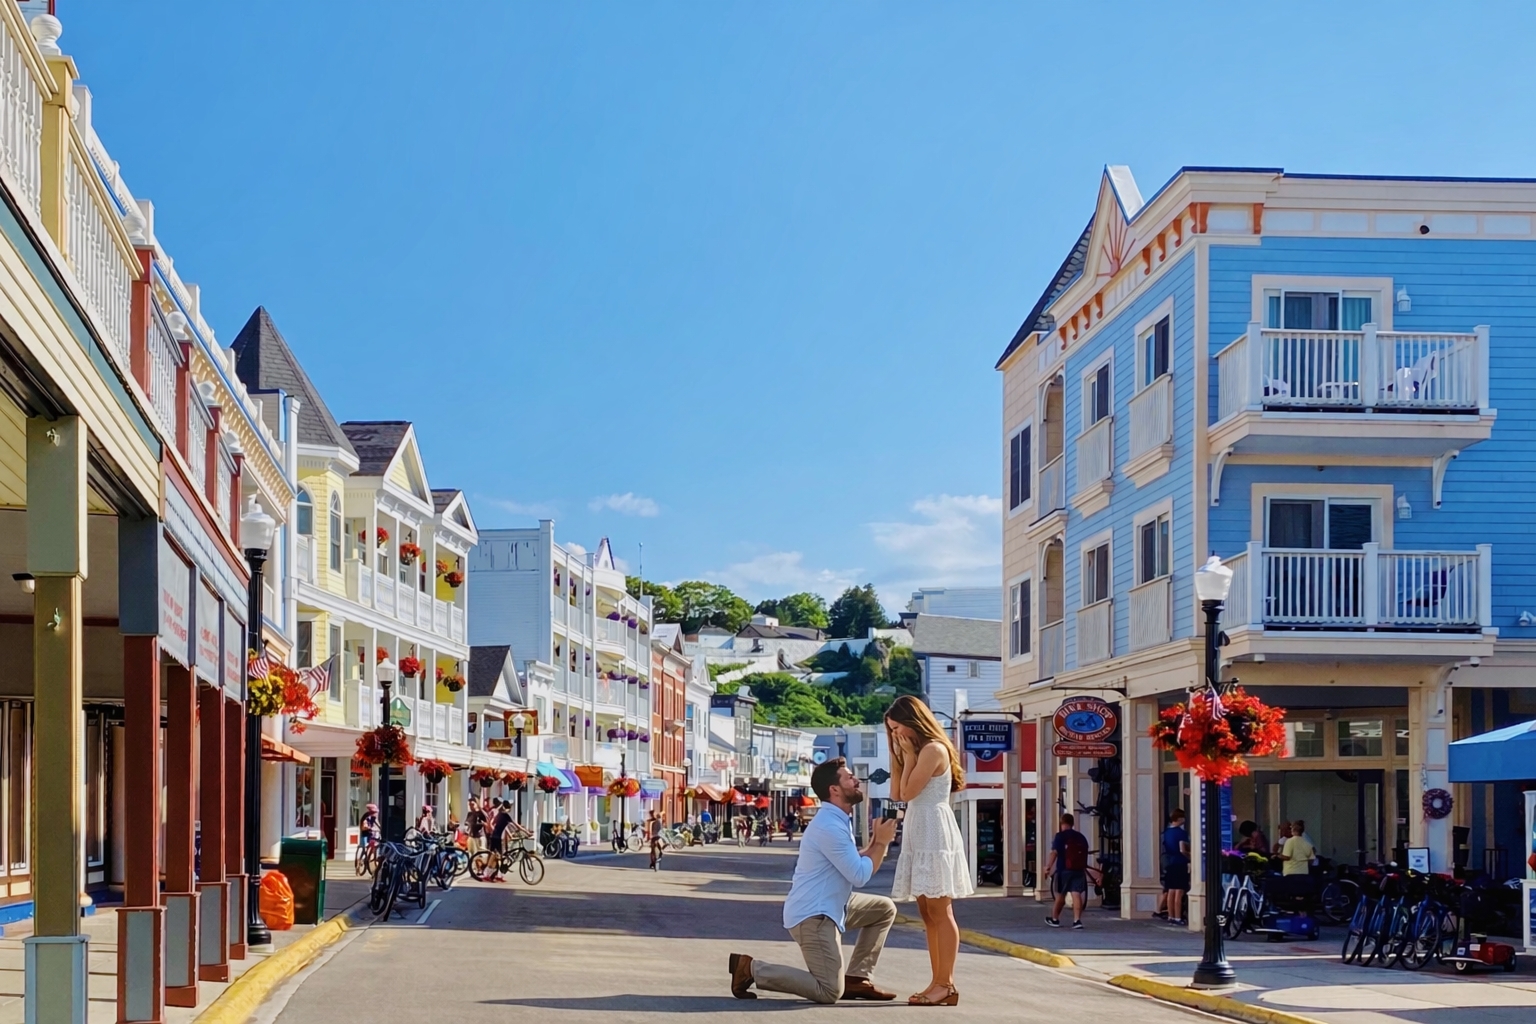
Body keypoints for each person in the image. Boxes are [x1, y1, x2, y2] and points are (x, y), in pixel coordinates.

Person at [728, 758, 900, 1005]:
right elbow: (859, 876)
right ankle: (752, 969)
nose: (856, 780)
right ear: (835, 789)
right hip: (814, 916)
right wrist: (882, 843)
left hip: (831, 904)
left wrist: (875, 841)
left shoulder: (838, 819)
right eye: (849, 777)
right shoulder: (829, 826)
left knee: (883, 909)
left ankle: (857, 979)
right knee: (829, 991)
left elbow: (851, 861)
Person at [885, 694, 973, 1006]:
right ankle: (936, 981)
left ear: (914, 722)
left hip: (934, 829)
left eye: (899, 728)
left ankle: (945, 983)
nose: (897, 735)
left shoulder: (934, 749)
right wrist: (899, 756)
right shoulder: (914, 750)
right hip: (918, 828)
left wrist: (908, 758)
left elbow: (909, 792)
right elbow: (897, 793)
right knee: (926, 911)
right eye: (892, 730)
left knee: (940, 909)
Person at [1043, 813, 1089, 929]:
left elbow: (1055, 852)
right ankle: (1077, 920)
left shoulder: (1060, 836)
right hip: (1078, 870)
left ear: (1062, 823)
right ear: (1072, 824)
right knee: (1076, 894)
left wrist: (1048, 866)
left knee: (1060, 896)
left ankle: (1054, 919)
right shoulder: (1081, 837)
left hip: (1064, 870)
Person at [1159, 809, 1189, 926]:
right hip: (1180, 862)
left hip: (1169, 862)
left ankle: (1171, 916)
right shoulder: (1181, 833)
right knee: (1179, 891)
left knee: (1171, 890)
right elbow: (1182, 849)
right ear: (1180, 819)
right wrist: (1189, 857)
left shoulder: (1166, 832)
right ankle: (1178, 917)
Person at [487, 798, 514, 882]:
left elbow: (503, 826)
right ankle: (489, 873)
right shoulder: (496, 812)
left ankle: (498, 875)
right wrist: (494, 830)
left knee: (500, 856)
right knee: (497, 856)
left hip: (500, 837)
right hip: (497, 837)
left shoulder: (498, 812)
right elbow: (492, 823)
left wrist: (509, 834)